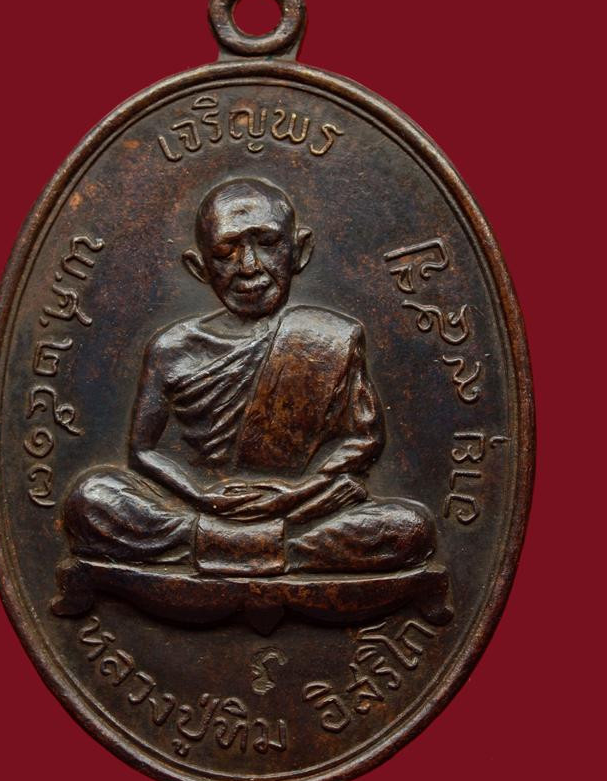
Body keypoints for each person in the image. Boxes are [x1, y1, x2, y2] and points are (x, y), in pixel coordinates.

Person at [62, 178, 436, 576]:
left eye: (268, 243)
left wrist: (297, 492)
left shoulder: (331, 337)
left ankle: (221, 546)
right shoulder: (172, 347)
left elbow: (365, 440)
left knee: (408, 528)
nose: (249, 267)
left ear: (299, 251)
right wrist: (201, 494)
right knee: (92, 498)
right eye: (226, 252)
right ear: (199, 267)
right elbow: (142, 450)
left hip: (301, 507)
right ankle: (274, 548)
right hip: (200, 508)